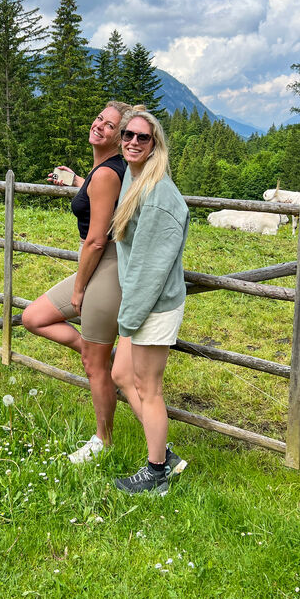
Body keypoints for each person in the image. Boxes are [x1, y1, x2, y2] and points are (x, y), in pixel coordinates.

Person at [22, 101, 131, 462]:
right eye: (99, 118)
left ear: (119, 138)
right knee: (33, 317)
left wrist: (80, 288)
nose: (99, 126)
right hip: (103, 266)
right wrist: (78, 181)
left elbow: (96, 239)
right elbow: (102, 192)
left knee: (94, 367)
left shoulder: (108, 173)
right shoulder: (107, 170)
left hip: (107, 267)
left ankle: (103, 442)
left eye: (110, 125)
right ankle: (100, 351)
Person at [110, 108, 190, 495]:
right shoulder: (134, 175)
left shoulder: (159, 195)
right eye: (128, 134)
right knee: (121, 376)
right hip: (140, 301)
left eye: (143, 137)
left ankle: (157, 472)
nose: (133, 142)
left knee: (148, 387)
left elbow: (149, 266)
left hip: (153, 305)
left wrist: (128, 318)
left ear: (155, 143)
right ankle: (166, 455)